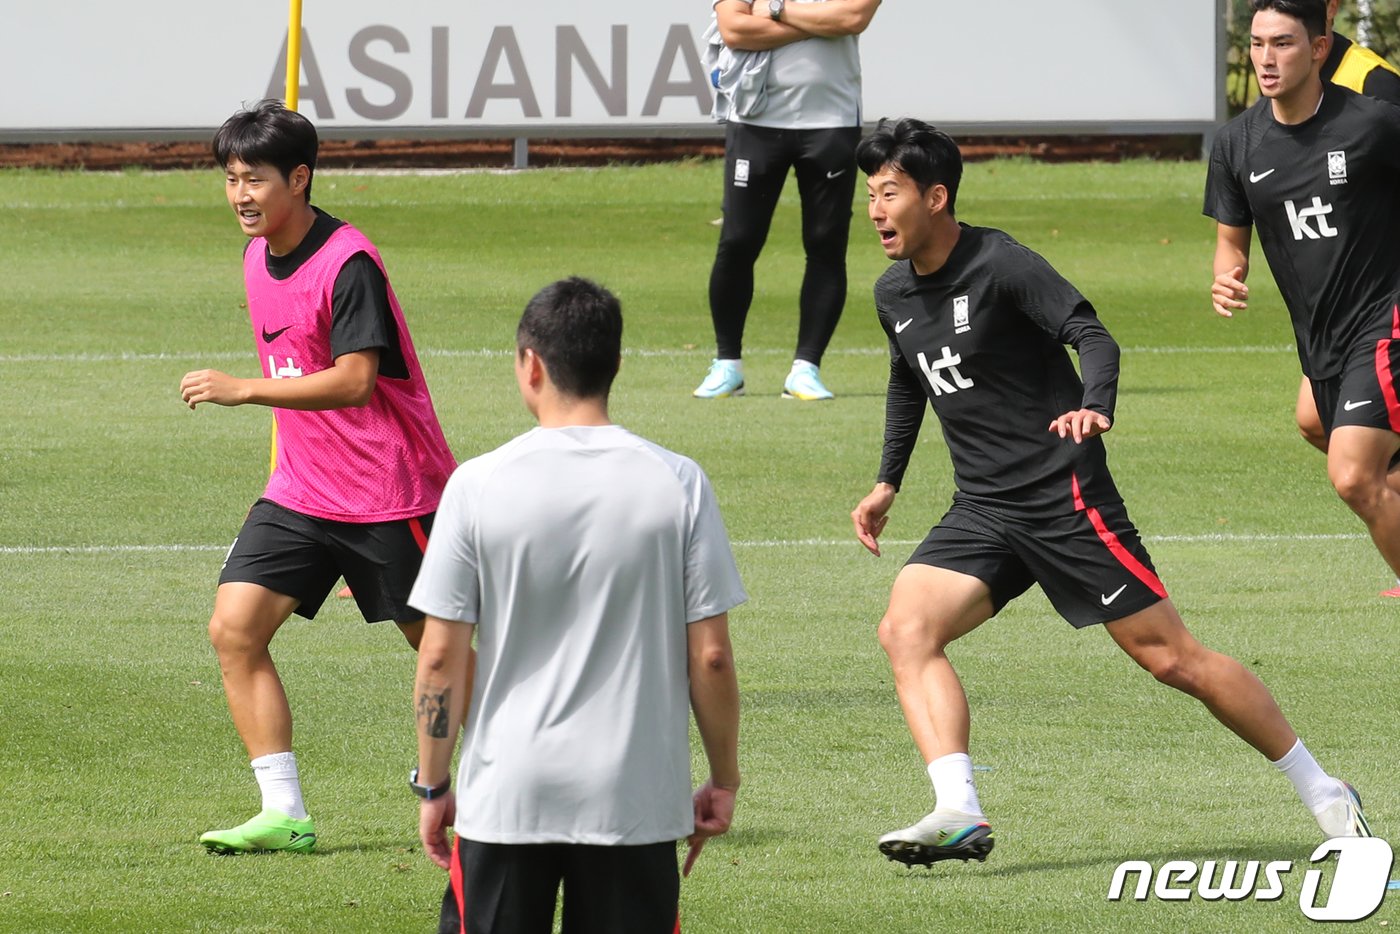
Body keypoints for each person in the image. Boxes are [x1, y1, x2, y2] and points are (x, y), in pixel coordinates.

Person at [850, 117, 1370, 867]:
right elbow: (908, 379)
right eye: (871, 193)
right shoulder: (893, 291)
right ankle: (958, 807)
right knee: (906, 630)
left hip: (1063, 497)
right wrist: (886, 481)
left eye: (888, 192)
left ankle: (1323, 790)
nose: (875, 209)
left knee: (1172, 659)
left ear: (935, 197)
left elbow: (1090, 333)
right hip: (985, 510)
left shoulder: (1002, 264)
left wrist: (1096, 403)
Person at [409, 278, 746, 933]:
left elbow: (442, 653)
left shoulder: (477, 484)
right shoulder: (678, 483)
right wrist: (723, 779)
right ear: (615, 363)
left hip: (509, 792)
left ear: (529, 365)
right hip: (634, 797)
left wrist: (434, 782)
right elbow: (709, 656)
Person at [181, 99, 457, 854]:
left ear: (298, 178)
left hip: (389, 492)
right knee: (234, 630)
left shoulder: (348, 263)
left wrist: (244, 389)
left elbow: (354, 381)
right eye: (230, 178)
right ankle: (284, 812)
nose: (240, 194)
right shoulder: (255, 254)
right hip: (302, 492)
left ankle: (533, 767)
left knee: (444, 650)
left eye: (255, 179)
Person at [1206, 0, 1400, 597]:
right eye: (1259, 43)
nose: (1266, 58)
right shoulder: (1237, 143)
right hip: (1322, 331)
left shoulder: (1372, 123)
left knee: (1353, 474)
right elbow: (1229, 242)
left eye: (1283, 43)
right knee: (1315, 421)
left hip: (1385, 314)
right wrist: (1227, 275)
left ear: (1319, 49)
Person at [693, 0, 881, 401]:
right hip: (756, 118)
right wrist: (820, 25)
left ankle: (805, 369)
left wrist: (775, 10)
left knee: (825, 244)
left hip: (831, 121)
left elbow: (853, 18)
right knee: (738, 241)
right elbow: (734, 30)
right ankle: (728, 365)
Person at [1288, 0, 1400, 458]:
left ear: (1331, 8)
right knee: (1316, 421)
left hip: (1384, 289)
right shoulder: (1287, 70)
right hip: (1342, 295)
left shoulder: (1374, 84)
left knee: (1352, 459)